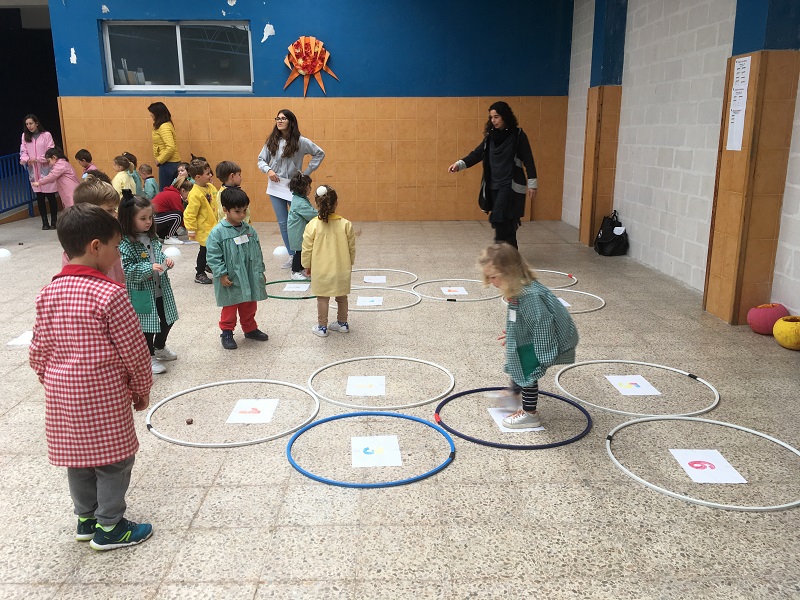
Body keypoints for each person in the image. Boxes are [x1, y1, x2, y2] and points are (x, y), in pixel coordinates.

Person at [29, 203, 153, 551]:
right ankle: (110, 526)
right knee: (114, 461)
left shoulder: (48, 293)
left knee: (79, 459)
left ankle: (86, 518)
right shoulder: (111, 294)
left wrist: (49, 379)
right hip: (103, 396)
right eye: (115, 246)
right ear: (96, 246)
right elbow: (134, 351)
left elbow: (38, 349)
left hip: (62, 396)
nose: (118, 254)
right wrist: (141, 388)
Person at [478, 243, 578, 429]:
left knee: (527, 368)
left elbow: (542, 325)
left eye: (493, 277)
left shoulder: (529, 295)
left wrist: (543, 356)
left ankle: (530, 415)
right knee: (517, 357)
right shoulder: (518, 287)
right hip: (537, 334)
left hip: (547, 338)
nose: (491, 282)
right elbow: (525, 318)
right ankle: (514, 392)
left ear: (509, 273)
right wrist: (515, 333)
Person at [448, 101, 538, 248]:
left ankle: (498, 250)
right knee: (507, 221)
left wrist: (532, 184)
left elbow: (528, 160)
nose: (493, 120)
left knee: (498, 216)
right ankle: (510, 253)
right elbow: (477, 154)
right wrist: (459, 164)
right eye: (491, 117)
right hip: (493, 185)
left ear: (505, 117)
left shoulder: (518, 136)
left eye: (496, 117)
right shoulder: (490, 137)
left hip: (510, 185)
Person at [118, 194, 179, 375]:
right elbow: (127, 270)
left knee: (168, 318)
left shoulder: (151, 237)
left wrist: (165, 260)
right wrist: (148, 267)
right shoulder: (125, 243)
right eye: (142, 218)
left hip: (160, 288)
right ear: (129, 219)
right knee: (147, 325)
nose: (148, 222)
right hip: (142, 292)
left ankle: (159, 347)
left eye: (150, 217)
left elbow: (157, 254)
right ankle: (148, 356)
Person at [257, 109, 325, 269]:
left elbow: (319, 153)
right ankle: (292, 255)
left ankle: (304, 253)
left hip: (293, 186)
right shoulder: (272, 141)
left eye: (283, 118)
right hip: (275, 186)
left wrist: (305, 173)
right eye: (277, 118)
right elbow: (261, 160)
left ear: (291, 122)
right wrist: (268, 170)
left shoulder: (301, 141)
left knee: (298, 221)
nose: (279, 121)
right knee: (283, 222)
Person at [206, 187, 269, 350]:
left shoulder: (249, 230)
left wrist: (260, 271)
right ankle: (226, 332)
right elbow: (213, 255)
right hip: (231, 277)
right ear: (225, 210)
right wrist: (221, 274)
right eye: (237, 211)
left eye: (244, 210)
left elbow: (257, 252)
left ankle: (250, 328)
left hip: (249, 274)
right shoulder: (218, 232)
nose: (242, 215)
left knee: (250, 302)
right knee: (230, 304)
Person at [301, 185, 355, 337]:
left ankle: (322, 327)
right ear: (336, 202)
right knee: (342, 296)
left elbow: (306, 248)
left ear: (316, 203)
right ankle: (342, 323)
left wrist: (307, 265)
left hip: (321, 270)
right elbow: (351, 247)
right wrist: (349, 263)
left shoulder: (312, 225)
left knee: (322, 298)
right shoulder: (346, 224)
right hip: (341, 269)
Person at [67, 174, 125, 284]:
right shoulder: (77, 246)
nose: (115, 214)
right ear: (89, 211)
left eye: (114, 209)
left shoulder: (112, 237)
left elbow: (118, 273)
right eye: (109, 210)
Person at [20, 114, 57, 229]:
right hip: (34, 171)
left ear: (36, 123)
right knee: (40, 197)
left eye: (31, 123)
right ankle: (44, 222)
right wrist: (25, 159)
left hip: (46, 169)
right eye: (27, 124)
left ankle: (54, 221)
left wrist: (38, 159)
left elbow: (50, 151)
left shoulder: (46, 135)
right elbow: (23, 151)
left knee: (51, 197)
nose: (29, 126)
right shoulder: (25, 136)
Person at [184, 159, 218, 284]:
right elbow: (190, 213)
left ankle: (209, 265)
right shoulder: (195, 194)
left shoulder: (211, 187)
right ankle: (199, 273)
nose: (210, 175)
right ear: (198, 177)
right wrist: (191, 229)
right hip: (204, 228)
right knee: (204, 250)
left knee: (214, 249)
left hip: (214, 225)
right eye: (207, 174)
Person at [286, 172, 317, 280]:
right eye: (309, 186)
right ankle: (295, 271)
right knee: (299, 252)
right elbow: (311, 214)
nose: (310, 189)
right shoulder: (300, 203)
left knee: (302, 251)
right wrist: (322, 214)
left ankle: (302, 268)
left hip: (299, 230)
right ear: (302, 188)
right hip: (298, 232)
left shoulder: (299, 199)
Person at [148, 102, 182, 190]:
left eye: (152, 113)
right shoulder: (166, 125)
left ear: (157, 113)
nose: (150, 115)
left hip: (168, 163)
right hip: (170, 162)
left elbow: (170, 147)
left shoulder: (164, 127)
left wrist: (159, 160)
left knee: (165, 191)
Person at [152, 177, 191, 244]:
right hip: (154, 219)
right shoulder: (175, 196)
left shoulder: (171, 193)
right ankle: (170, 237)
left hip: (156, 218)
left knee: (175, 229)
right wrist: (191, 228)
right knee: (178, 215)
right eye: (189, 194)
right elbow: (181, 215)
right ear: (183, 191)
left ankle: (167, 235)